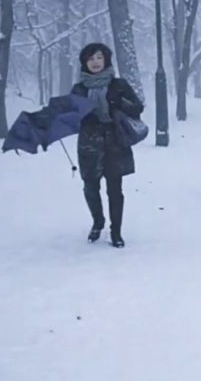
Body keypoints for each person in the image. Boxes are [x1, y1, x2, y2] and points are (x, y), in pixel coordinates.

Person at [71, 43, 144, 248]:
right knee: (90, 187)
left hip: (115, 142)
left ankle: (116, 231)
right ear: (85, 63)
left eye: (99, 57)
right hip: (89, 143)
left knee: (115, 189)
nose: (95, 62)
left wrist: (120, 103)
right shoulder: (79, 89)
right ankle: (98, 221)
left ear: (106, 60)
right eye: (91, 58)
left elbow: (138, 107)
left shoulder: (118, 85)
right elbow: (73, 117)